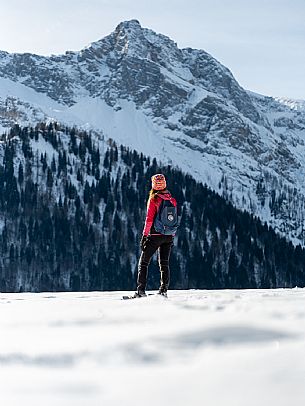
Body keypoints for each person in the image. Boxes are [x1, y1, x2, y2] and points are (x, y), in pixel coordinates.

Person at [135, 173, 177, 298]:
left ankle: (140, 291)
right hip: (168, 235)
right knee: (164, 263)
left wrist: (144, 236)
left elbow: (149, 219)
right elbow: (173, 219)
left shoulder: (154, 199)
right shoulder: (171, 199)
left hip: (154, 235)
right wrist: (172, 235)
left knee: (143, 262)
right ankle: (163, 290)